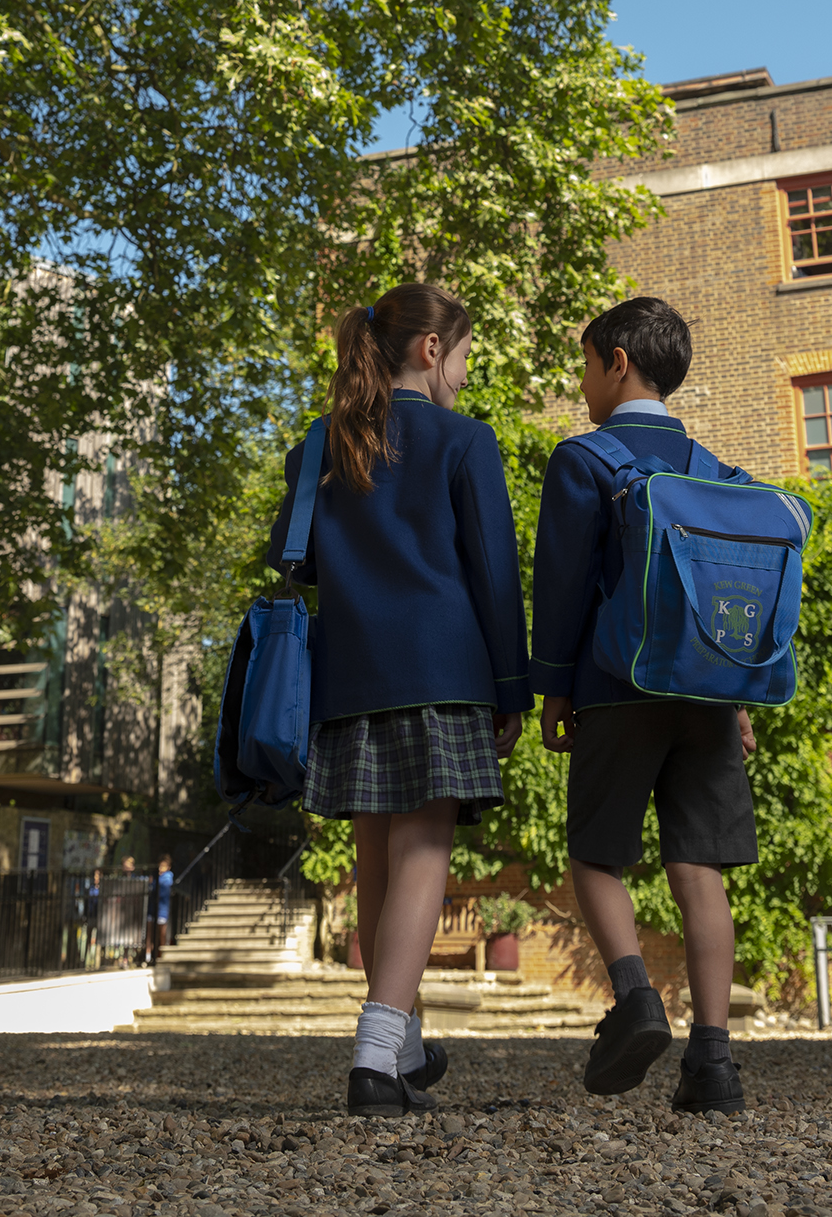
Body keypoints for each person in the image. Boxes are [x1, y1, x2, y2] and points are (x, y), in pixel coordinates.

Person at [266, 280, 530, 1116]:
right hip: (440, 672)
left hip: (348, 678)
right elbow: (495, 576)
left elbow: (291, 557)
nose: (463, 373)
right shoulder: (464, 439)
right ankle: (375, 1058)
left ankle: (403, 1045)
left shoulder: (321, 444)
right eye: (462, 356)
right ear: (429, 350)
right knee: (423, 853)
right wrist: (513, 687)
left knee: (375, 858)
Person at [532, 296, 757, 1116]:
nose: (583, 379)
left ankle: (634, 996)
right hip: (709, 695)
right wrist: (735, 696)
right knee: (699, 871)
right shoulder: (716, 472)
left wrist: (552, 684)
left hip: (617, 689)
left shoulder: (585, 459)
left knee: (596, 857)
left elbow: (558, 586)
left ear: (616, 360)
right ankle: (715, 1064)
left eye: (586, 362)